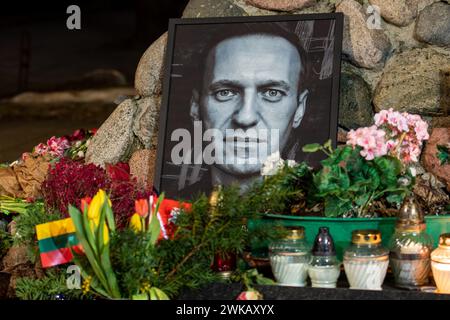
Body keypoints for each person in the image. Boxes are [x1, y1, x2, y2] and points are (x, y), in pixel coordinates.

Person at [171, 23, 309, 196]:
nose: (245, 117)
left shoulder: (321, 215)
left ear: (299, 109)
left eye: (272, 93)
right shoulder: (164, 214)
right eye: (225, 92)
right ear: (196, 106)